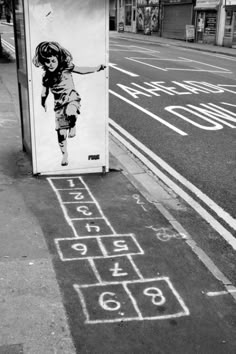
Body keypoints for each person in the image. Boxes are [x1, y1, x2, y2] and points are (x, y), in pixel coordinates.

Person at [33, 41, 105, 166]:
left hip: (71, 98)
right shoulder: (46, 76)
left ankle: (72, 124)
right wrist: (42, 102)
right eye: (47, 61)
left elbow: (82, 70)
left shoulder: (66, 67)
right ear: (42, 61)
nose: (50, 64)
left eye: (53, 61)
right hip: (58, 105)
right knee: (61, 134)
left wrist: (96, 68)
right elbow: (44, 92)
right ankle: (65, 154)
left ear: (59, 59)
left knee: (71, 111)